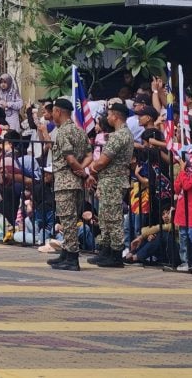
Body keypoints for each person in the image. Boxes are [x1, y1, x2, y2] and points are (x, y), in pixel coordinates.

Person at [83, 102, 134, 267]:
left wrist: (93, 167)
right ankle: (105, 250)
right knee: (105, 217)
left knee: (112, 218)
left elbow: (103, 160)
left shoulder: (120, 135)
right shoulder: (119, 134)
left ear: (116, 116)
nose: (108, 117)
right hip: (109, 180)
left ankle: (115, 253)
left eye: (110, 114)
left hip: (113, 180)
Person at [46, 98, 90, 271]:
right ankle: (66, 252)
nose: (52, 116)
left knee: (68, 220)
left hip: (66, 181)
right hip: (75, 181)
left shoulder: (63, 132)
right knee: (70, 219)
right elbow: (89, 155)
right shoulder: (79, 131)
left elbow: (70, 158)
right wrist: (82, 170)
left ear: (58, 112)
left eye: (53, 112)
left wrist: (80, 170)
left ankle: (72, 257)